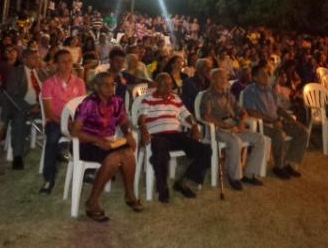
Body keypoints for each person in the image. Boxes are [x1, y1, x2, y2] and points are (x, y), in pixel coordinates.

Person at [71, 72, 142, 220]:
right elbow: (75, 131)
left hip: (108, 142)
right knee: (114, 159)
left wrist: (127, 133)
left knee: (128, 154)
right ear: (96, 87)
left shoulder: (116, 101)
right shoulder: (89, 103)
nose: (110, 88)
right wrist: (97, 140)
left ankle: (129, 194)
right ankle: (92, 201)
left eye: (112, 84)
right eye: (105, 85)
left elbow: (123, 121)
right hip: (86, 143)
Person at [137, 73, 211, 202]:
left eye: (170, 84)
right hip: (158, 135)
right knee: (160, 152)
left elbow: (186, 114)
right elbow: (141, 118)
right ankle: (162, 187)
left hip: (176, 134)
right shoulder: (148, 98)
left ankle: (185, 181)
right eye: (164, 84)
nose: (168, 87)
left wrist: (193, 126)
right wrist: (143, 130)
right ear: (156, 85)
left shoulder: (175, 98)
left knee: (205, 150)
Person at [201, 68, 268, 190]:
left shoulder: (228, 94)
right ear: (213, 80)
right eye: (220, 78)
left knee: (260, 139)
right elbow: (206, 115)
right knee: (236, 142)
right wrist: (225, 125)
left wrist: (242, 121)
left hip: (235, 127)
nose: (224, 80)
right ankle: (234, 177)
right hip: (218, 130)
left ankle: (249, 173)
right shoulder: (208, 95)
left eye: (225, 78)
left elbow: (241, 110)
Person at [243, 65, 309, 178]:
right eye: (263, 74)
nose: (267, 76)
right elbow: (252, 112)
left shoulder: (269, 89)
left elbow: (278, 108)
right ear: (255, 78)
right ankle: (279, 166)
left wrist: (291, 119)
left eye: (267, 74)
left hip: (276, 120)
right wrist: (273, 121)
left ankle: (290, 163)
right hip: (261, 123)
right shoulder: (250, 91)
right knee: (279, 134)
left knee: (303, 131)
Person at [39, 49, 86, 194]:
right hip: (56, 121)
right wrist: (65, 123)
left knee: (92, 133)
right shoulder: (49, 83)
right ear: (56, 65)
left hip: (74, 121)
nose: (67, 64)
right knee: (52, 138)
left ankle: (88, 170)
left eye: (69, 61)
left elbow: (83, 107)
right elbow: (49, 113)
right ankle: (49, 178)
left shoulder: (79, 82)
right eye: (63, 62)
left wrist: (77, 122)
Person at [2, 49, 47, 170]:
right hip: (21, 107)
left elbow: (49, 91)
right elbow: (11, 95)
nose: (37, 60)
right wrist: (30, 107)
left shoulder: (41, 72)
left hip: (41, 107)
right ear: (24, 59)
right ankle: (17, 156)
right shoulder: (16, 72)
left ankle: (57, 150)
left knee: (57, 117)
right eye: (34, 58)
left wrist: (43, 105)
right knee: (19, 120)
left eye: (38, 58)